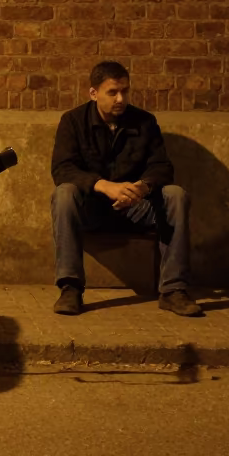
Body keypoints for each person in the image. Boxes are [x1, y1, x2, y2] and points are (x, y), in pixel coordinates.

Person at [49, 61, 202, 317]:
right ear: (94, 93)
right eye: (112, 92)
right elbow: (62, 168)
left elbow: (162, 167)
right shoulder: (73, 122)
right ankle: (70, 288)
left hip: (135, 208)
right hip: (92, 209)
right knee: (63, 193)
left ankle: (173, 290)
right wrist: (104, 186)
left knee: (176, 195)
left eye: (125, 91)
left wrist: (141, 188)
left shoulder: (144, 122)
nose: (121, 98)